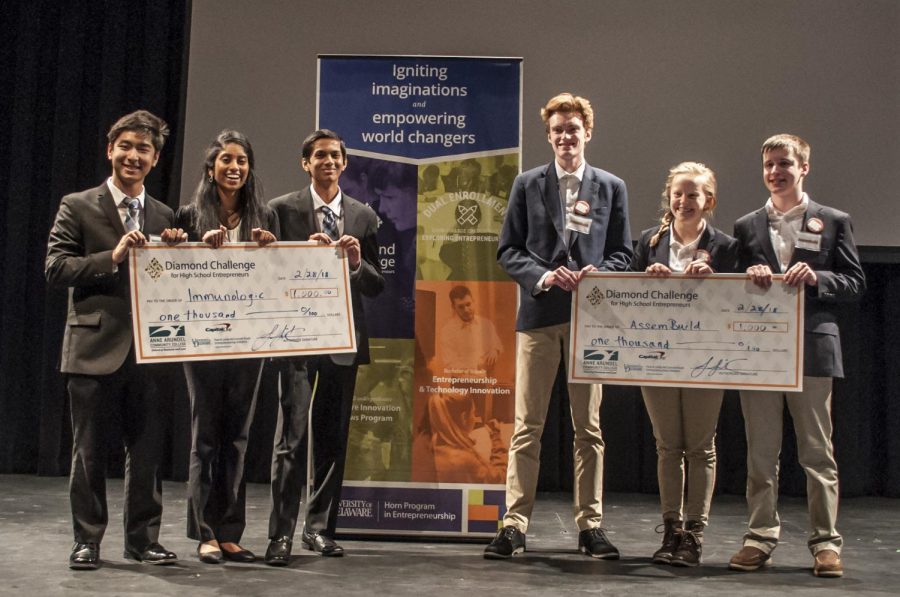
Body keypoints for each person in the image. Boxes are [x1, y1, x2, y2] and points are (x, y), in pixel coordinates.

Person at [486, 93, 632, 559]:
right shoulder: (527, 184)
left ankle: (590, 525)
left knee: (588, 429)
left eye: (574, 128)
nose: (566, 136)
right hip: (539, 316)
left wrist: (598, 275)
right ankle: (514, 524)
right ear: (548, 137)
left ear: (588, 132)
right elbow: (508, 250)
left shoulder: (611, 186)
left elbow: (623, 254)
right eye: (558, 130)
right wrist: (545, 275)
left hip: (591, 322)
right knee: (527, 425)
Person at [45, 110, 186, 570]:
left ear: (156, 158)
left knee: (146, 454)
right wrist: (112, 255)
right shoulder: (78, 204)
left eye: (143, 149)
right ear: (111, 150)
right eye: (125, 146)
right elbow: (56, 267)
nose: (133, 155)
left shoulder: (165, 213)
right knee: (88, 453)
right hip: (93, 349)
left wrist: (179, 251)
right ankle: (87, 541)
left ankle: (142, 541)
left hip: (151, 351)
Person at [729, 134, 865, 577]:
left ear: (803, 167)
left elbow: (854, 282)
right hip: (759, 352)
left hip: (812, 349)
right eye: (768, 164)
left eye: (784, 163)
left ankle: (826, 544)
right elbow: (728, 290)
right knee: (761, 454)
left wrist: (818, 278)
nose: (774, 172)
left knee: (816, 453)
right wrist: (747, 275)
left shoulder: (834, 220)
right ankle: (759, 537)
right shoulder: (747, 225)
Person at [265, 129, 384, 564]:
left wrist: (355, 263)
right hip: (295, 339)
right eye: (320, 155)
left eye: (335, 155)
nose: (328, 161)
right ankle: (279, 534)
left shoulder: (362, 216)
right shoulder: (280, 210)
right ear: (306, 163)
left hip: (343, 340)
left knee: (331, 440)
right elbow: (267, 272)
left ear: (345, 163)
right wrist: (300, 252)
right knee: (291, 439)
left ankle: (317, 529)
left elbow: (377, 284)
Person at [174, 130, 278, 564]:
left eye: (242, 161)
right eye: (226, 160)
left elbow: (280, 275)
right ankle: (204, 533)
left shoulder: (264, 217)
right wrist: (191, 246)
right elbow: (172, 275)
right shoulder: (189, 214)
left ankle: (230, 531)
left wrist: (273, 251)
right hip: (203, 342)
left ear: (249, 169)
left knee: (237, 438)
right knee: (205, 439)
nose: (234, 168)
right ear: (211, 167)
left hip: (249, 342)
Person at [629, 162, 738, 566]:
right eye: (678, 193)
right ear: (669, 197)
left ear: (707, 201)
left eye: (693, 194)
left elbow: (743, 302)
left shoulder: (725, 246)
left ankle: (694, 534)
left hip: (706, 358)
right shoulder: (647, 242)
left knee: (700, 446)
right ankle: (671, 529)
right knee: (667, 446)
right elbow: (621, 290)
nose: (684, 201)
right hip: (655, 358)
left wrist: (718, 278)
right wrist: (645, 276)